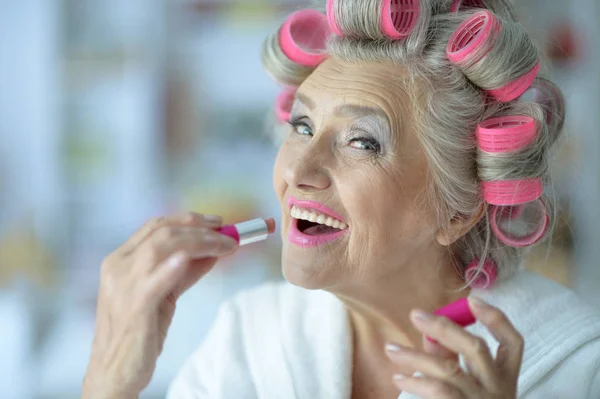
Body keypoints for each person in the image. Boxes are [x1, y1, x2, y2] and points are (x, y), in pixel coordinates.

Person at [82, 1, 600, 398]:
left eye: (363, 142)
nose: (299, 172)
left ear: (458, 208)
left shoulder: (580, 367)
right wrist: (110, 375)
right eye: (302, 126)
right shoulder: (251, 337)